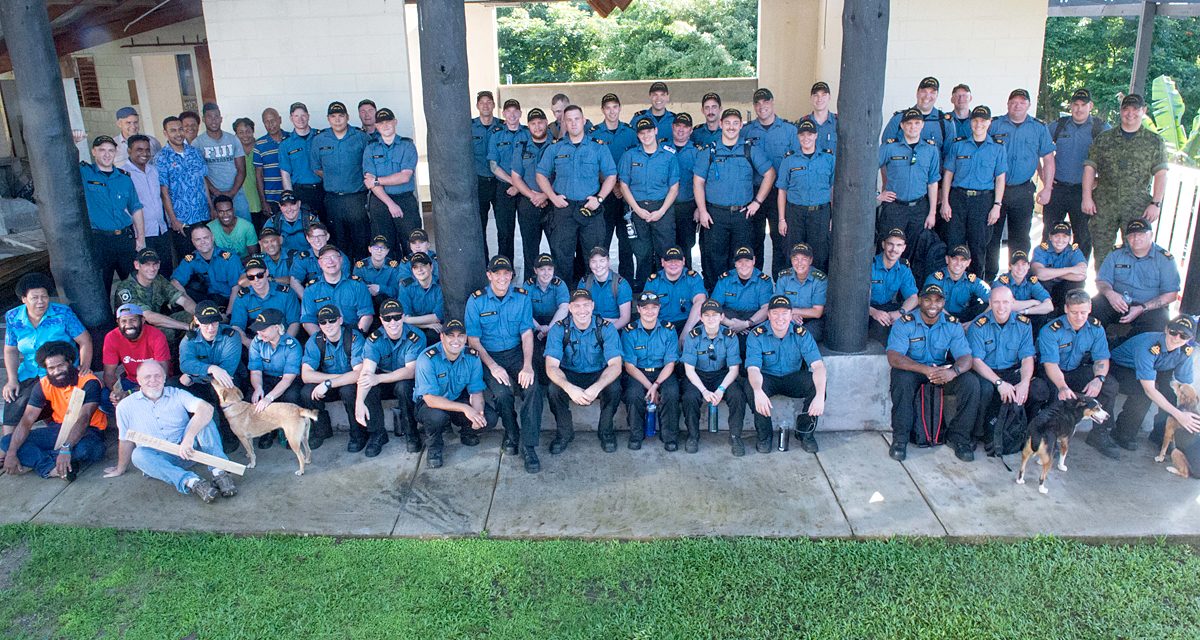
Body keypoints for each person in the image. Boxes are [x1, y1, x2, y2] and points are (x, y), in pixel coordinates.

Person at [105, 361, 237, 504]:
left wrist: (188, 438)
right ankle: (193, 482)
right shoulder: (125, 406)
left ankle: (220, 472)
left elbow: (206, 409)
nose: (153, 380)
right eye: (147, 377)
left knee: (205, 421)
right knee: (138, 455)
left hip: (188, 450)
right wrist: (120, 468)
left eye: (157, 376)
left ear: (164, 378)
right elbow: (125, 439)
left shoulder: (177, 394)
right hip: (160, 460)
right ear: (138, 380)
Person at [885, 284, 978, 461]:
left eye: (937, 300)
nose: (932, 304)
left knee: (970, 383)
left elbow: (966, 357)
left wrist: (954, 372)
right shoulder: (905, 323)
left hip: (943, 371)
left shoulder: (952, 324)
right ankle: (900, 439)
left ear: (943, 302)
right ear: (919, 301)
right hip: (915, 370)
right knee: (900, 378)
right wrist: (925, 370)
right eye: (927, 299)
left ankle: (959, 438)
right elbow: (894, 356)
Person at [465, 255, 539, 465]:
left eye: (506, 273)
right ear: (489, 275)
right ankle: (512, 432)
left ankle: (529, 445)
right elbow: (474, 341)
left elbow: (526, 334)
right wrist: (493, 366)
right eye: (497, 273)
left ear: (511, 276)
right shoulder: (476, 300)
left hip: (516, 353)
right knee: (502, 393)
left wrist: (527, 366)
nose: (502, 278)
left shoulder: (522, 297)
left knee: (532, 388)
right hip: (490, 356)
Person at [693, 108, 776, 290]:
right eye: (728, 123)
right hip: (715, 214)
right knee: (715, 257)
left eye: (735, 123)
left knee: (741, 257)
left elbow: (770, 174)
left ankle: (738, 296)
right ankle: (715, 299)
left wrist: (757, 202)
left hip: (742, 214)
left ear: (741, 125)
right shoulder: (710, 151)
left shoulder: (749, 149)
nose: (731, 127)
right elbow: (698, 182)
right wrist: (703, 210)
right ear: (721, 124)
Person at [3, 274, 91, 443]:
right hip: (30, 370)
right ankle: (5, 446)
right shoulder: (13, 317)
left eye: (44, 296)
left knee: (41, 400)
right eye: (34, 298)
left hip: (60, 369)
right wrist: (12, 379)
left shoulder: (62, 313)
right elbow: (10, 350)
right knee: (13, 396)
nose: (41, 301)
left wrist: (84, 365)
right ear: (24, 299)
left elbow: (85, 341)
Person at [1082, 93, 1169, 266]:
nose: (1130, 113)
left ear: (1143, 110)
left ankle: (1128, 291)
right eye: (1126, 109)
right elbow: (1090, 168)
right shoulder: (1104, 139)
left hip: (1137, 207)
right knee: (1101, 253)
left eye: (1135, 109)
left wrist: (1156, 204)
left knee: (1136, 252)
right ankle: (1104, 291)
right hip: (1103, 206)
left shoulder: (1154, 141)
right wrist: (1087, 197)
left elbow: (1161, 174)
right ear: (1120, 111)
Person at [1096, 317, 1200, 458]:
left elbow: (1186, 384)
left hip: (1155, 368)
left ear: (1190, 338)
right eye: (1173, 332)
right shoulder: (1150, 345)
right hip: (1120, 366)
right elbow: (1149, 390)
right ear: (1166, 329)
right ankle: (1122, 433)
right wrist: (1180, 415)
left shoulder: (1185, 351)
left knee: (1170, 393)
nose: (1176, 338)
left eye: (1183, 336)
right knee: (1142, 393)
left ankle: (1160, 435)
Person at [536, 105, 618, 282]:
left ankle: (592, 297)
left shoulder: (598, 147)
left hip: (590, 208)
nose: (573, 123)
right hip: (563, 208)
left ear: (584, 121)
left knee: (594, 255)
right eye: (569, 120)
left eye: (577, 119)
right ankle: (565, 298)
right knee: (562, 255)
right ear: (564, 123)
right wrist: (552, 197)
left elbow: (611, 174)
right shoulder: (555, 148)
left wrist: (600, 198)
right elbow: (541, 174)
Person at [1, 341, 106, 479]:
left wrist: (66, 448)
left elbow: (84, 418)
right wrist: (11, 453)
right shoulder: (43, 384)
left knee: (91, 450)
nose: (57, 372)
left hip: (89, 430)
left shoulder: (88, 381)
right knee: (7, 442)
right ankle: (51, 467)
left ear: (69, 362)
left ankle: (43, 461)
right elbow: (27, 420)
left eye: (61, 365)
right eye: (51, 368)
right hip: (57, 429)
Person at [985, 89, 1055, 281]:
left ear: (1029, 105)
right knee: (991, 236)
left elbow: (1047, 159)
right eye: (1013, 102)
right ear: (1007, 104)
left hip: (1022, 190)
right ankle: (989, 276)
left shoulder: (1039, 128)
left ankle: (1017, 278)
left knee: (1020, 237)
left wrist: (1047, 188)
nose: (1017, 106)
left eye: (1022, 102)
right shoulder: (995, 125)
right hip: (995, 190)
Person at [545, 289, 623, 453]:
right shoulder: (559, 329)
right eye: (577, 306)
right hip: (570, 373)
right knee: (554, 389)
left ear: (593, 306)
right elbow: (551, 366)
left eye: (586, 305)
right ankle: (564, 434)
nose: (582, 310)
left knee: (614, 387)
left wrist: (597, 386)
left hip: (598, 373)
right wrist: (569, 387)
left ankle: (606, 431)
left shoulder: (606, 328)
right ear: (570, 308)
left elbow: (616, 365)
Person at [746, 295, 827, 454]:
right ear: (768, 315)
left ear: (791, 315)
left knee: (817, 385)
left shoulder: (802, 334)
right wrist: (757, 391)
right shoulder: (757, 335)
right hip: (767, 377)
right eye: (775, 313)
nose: (780, 318)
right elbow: (753, 369)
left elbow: (818, 366)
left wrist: (819, 395)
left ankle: (805, 433)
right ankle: (764, 436)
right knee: (750, 386)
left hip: (792, 377)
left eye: (784, 313)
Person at [413, 319, 496, 469]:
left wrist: (477, 414)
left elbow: (476, 390)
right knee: (436, 416)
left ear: (466, 338)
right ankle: (434, 448)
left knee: (489, 418)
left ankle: (467, 432)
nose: (456, 340)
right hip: (430, 404)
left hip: (456, 398)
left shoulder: (472, 356)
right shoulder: (427, 358)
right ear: (442, 337)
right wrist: (466, 409)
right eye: (451, 335)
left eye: (460, 336)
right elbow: (430, 399)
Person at [1030, 289, 1111, 441]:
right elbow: (1051, 364)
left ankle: (1099, 435)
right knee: (1055, 394)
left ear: (1090, 309)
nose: (1079, 317)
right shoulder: (1051, 330)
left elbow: (1102, 358)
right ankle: (1049, 437)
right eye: (1074, 312)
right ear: (1066, 308)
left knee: (1109, 385)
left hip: (1075, 370)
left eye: (1083, 312)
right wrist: (1062, 386)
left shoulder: (1096, 328)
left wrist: (1099, 379)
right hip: (1052, 372)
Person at [966, 286, 1036, 461]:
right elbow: (976, 361)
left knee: (1039, 389)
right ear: (990, 303)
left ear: (1013, 303)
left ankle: (1026, 433)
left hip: (1011, 370)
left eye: (1006, 302)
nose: (1001, 307)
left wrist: (1024, 382)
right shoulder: (978, 325)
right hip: (986, 372)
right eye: (996, 302)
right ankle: (976, 433)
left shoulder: (1024, 324)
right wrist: (999, 383)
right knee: (984, 390)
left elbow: (1027, 357)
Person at [941, 105, 1008, 276]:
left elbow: (1000, 178)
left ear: (989, 122)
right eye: (976, 120)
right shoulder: (959, 145)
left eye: (983, 121)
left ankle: (975, 288)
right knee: (953, 244)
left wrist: (997, 205)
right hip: (958, 199)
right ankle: (949, 287)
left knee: (978, 246)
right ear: (971, 122)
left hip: (982, 201)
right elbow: (948, 174)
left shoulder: (997, 148)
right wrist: (945, 202)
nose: (979, 124)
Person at [1043, 89, 1109, 261]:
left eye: (1083, 105)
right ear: (1071, 106)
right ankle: (1046, 270)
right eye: (1076, 105)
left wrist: (1099, 181)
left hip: (1083, 192)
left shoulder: (1100, 128)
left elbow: (1111, 159)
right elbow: (1037, 148)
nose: (1079, 109)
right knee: (1049, 232)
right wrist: (1044, 179)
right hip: (1057, 188)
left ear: (1090, 106)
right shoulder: (1058, 125)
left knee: (1082, 236)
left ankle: (1077, 276)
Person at [355, 299, 427, 457]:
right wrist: (359, 402)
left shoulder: (415, 336)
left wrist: (378, 379)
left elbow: (410, 371)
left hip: (404, 378)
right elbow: (367, 372)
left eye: (397, 317)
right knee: (369, 385)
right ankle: (377, 434)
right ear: (381, 319)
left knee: (404, 386)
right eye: (387, 318)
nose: (392, 322)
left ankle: (411, 433)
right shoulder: (374, 340)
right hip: (384, 376)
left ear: (403, 317)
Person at [741, 87, 798, 275]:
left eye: (765, 102)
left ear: (772, 102)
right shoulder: (747, 131)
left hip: (780, 194)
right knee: (754, 239)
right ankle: (756, 282)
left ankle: (780, 280)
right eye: (757, 103)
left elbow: (796, 161)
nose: (761, 106)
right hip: (754, 192)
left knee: (780, 238)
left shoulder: (790, 131)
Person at [1093, 218, 1180, 341]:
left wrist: (1142, 308)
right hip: (1116, 302)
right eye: (1132, 235)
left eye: (1141, 234)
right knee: (1090, 308)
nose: (1136, 238)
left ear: (1151, 235)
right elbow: (1102, 280)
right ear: (1127, 237)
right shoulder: (1116, 253)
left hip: (1148, 307)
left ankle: (1121, 348)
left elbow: (1171, 295)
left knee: (1158, 326)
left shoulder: (1165, 260)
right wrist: (1110, 293)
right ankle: (1092, 346)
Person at [681, 299, 749, 455]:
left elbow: (733, 369)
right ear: (700, 317)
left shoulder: (730, 336)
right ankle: (693, 435)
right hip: (697, 375)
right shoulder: (693, 336)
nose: (711, 318)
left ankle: (735, 436)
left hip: (721, 375)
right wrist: (704, 391)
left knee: (737, 395)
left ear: (721, 316)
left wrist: (721, 389)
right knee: (690, 397)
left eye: (714, 315)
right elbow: (689, 370)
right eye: (707, 315)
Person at [619, 116, 680, 288]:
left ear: (656, 131)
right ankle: (645, 292)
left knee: (665, 252)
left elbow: (674, 188)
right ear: (638, 135)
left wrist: (661, 211)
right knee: (642, 253)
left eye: (649, 132)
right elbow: (623, 185)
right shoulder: (629, 155)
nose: (646, 136)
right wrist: (637, 210)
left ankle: (666, 290)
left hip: (662, 208)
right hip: (637, 210)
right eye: (642, 133)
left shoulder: (668, 156)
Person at [175, 301, 244, 451]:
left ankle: (229, 434)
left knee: (221, 390)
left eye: (214, 323)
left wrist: (193, 376)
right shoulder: (189, 339)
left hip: (227, 381)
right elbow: (185, 364)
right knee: (173, 386)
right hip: (204, 380)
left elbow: (227, 371)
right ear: (197, 321)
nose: (211, 328)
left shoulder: (231, 336)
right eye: (206, 324)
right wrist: (211, 368)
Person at [621, 291, 682, 452]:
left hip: (663, 372)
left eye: (654, 307)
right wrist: (650, 386)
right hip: (638, 372)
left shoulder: (668, 330)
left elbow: (670, 363)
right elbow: (629, 366)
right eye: (645, 308)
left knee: (671, 393)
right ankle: (636, 434)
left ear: (659, 308)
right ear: (639, 309)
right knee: (633, 394)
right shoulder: (629, 331)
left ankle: (669, 436)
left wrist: (655, 385)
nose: (650, 311)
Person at [82, 135, 146, 289]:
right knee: (102, 286)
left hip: (124, 238)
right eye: (101, 150)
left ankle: (135, 313)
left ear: (116, 152)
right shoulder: (85, 173)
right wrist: (75, 142)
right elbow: (64, 166)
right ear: (93, 152)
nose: (106, 154)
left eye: (111, 150)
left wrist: (141, 238)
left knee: (133, 284)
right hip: (100, 240)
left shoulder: (124, 178)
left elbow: (135, 208)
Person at [877, 108, 941, 258]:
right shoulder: (890, 147)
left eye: (917, 123)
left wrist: (932, 212)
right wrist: (878, 195)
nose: (913, 126)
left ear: (922, 125)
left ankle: (909, 281)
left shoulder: (931, 150)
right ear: (902, 126)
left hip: (919, 209)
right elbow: (868, 170)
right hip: (895, 208)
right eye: (909, 123)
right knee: (888, 249)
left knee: (914, 251)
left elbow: (932, 182)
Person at [310, 101, 371, 257]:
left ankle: (360, 275)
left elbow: (369, 167)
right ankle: (342, 276)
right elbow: (317, 168)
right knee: (338, 241)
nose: (337, 120)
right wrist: (334, 178)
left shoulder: (360, 137)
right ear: (328, 119)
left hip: (356, 198)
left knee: (361, 240)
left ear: (347, 117)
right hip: (333, 200)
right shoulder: (320, 139)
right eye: (333, 116)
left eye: (341, 116)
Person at [301, 304, 365, 451]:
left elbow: (359, 374)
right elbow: (306, 375)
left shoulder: (354, 337)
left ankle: (358, 435)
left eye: (332, 320)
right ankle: (322, 431)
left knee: (349, 392)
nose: (328, 325)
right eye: (323, 322)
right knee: (306, 392)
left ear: (340, 320)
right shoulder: (315, 340)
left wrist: (329, 382)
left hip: (349, 384)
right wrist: (335, 380)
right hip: (335, 381)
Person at [592, 93, 639, 282]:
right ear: (603, 110)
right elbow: (592, 165)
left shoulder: (630, 133)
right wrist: (611, 185)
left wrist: (621, 185)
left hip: (626, 194)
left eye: (615, 107)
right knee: (602, 239)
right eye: (608, 107)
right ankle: (601, 279)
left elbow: (636, 161)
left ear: (620, 108)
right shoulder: (594, 134)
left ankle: (626, 281)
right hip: (604, 194)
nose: (612, 111)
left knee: (626, 241)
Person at [776, 119, 835, 272]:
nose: (806, 138)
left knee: (820, 254)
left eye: (809, 134)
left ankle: (818, 291)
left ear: (816, 135)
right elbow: (782, 190)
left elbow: (833, 189)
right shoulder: (789, 160)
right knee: (792, 252)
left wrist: (832, 217)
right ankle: (792, 291)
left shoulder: (828, 159)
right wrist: (782, 219)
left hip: (820, 213)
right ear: (798, 137)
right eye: (802, 135)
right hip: (795, 213)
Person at [363, 107, 421, 252]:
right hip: (381, 201)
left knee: (412, 243)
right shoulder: (371, 148)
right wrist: (390, 204)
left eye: (388, 121)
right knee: (384, 245)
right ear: (376, 126)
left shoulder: (407, 145)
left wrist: (377, 181)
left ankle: (411, 274)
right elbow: (369, 181)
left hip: (405, 200)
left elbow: (405, 176)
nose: (385, 125)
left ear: (395, 122)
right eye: (381, 123)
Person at [246, 308, 303, 449]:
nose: (259, 333)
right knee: (254, 397)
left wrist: (269, 398)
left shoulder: (292, 345)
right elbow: (256, 371)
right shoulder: (257, 342)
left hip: (287, 380)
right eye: (257, 330)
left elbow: (287, 380)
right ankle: (266, 431)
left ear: (277, 328)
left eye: (263, 329)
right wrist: (258, 388)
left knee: (292, 396)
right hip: (267, 378)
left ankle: (293, 433)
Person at [111, 248, 195, 342]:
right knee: (166, 332)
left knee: (190, 317)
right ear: (137, 265)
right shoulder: (126, 288)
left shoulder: (159, 280)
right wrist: (186, 326)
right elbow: (149, 317)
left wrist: (200, 316)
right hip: (134, 331)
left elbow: (182, 300)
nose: (152, 269)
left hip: (156, 325)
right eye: (147, 264)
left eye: (155, 264)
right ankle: (168, 356)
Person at [510, 108, 554, 281]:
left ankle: (558, 287)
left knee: (558, 248)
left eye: (540, 122)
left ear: (546, 123)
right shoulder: (521, 147)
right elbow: (516, 177)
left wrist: (545, 195)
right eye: (533, 123)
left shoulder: (557, 145)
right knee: (530, 249)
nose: (537, 127)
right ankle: (530, 286)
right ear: (528, 126)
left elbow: (561, 176)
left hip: (552, 204)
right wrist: (533, 196)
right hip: (528, 204)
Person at [156, 116, 210, 260]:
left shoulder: (195, 152)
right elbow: (164, 192)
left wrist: (211, 207)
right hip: (181, 220)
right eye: (173, 130)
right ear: (165, 133)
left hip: (202, 215)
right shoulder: (161, 157)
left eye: (180, 129)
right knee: (187, 259)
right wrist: (173, 220)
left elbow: (203, 181)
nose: (178, 133)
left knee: (206, 256)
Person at [486, 99, 531, 265]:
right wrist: (514, 182)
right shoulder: (496, 134)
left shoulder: (528, 133)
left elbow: (533, 162)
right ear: (503, 114)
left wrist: (519, 185)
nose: (512, 115)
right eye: (508, 111)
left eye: (515, 111)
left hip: (526, 188)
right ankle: (505, 267)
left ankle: (531, 271)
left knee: (529, 232)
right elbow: (493, 165)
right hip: (505, 188)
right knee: (504, 231)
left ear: (520, 113)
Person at [122, 134, 173, 276]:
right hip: (141, 235)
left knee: (165, 270)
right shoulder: (123, 174)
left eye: (147, 149)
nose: (144, 153)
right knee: (146, 274)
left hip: (161, 230)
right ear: (129, 151)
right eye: (139, 149)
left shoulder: (154, 171)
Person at [102, 304, 170, 402]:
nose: (128, 325)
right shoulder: (111, 337)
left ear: (142, 320)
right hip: (131, 381)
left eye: (133, 320)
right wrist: (117, 394)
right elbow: (109, 374)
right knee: (105, 397)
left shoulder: (156, 336)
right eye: (124, 321)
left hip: (155, 382)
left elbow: (163, 375)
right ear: (118, 322)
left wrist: (130, 394)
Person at [300, 244, 374, 335]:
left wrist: (354, 338)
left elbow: (366, 315)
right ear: (320, 263)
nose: (330, 261)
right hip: (324, 338)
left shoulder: (357, 285)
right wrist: (322, 342)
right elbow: (308, 321)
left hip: (353, 335)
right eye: (326, 258)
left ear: (341, 260)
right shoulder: (311, 289)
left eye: (334, 257)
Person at [195, 103, 250, 221]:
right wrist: (215, 192)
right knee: (218, 233)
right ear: (204, 119)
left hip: (236, 194)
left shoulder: (233, 139)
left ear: (221, 119)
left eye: (216, 116)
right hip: (213, 196)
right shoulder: (197, 143)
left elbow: (241, 169)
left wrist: (232, 192)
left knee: (244, 227)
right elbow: (200, 174)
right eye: (209, 117)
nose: (213, 120)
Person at [712, 247, 773, 347]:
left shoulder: (764, 282)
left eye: (747, 261)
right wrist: (732, 324)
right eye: (739, 261)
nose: (743, 265)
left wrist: (745, 324)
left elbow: (766, 309)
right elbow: (714, 307)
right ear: (735, 263)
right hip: (728, 321)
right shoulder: (725, 279)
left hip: (753, 322)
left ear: (753, 260)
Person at [664, 113, 704, 268]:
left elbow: (703, 183)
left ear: (691, 130)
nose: (681, 130)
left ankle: (687, 279)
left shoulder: (698, 152)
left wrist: (699, 208)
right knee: (665, 246)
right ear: (672, 127)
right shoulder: (661, 148)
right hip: (665, 207)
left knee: (686, 247)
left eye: (685, 126)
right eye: (678, 126)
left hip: (688, 207)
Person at [880, 76, 954, 159]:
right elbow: (885, 150)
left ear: (937, 95)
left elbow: (949, 157)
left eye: (932, 92)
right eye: (924, 91)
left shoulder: (945, 122)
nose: (927, 96)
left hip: (932, 171)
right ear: (917, 93)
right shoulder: (899, 118)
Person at [170, 225, 242, 309]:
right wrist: (190, 304)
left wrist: (228, 314)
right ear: (193, 242)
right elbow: (175, 282)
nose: (202, 242)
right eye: (198, 239)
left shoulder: (229, 258)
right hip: (206, 299)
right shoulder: (191, 259)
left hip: (228, 300)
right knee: (178, 294)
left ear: (212, 238)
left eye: (205, 238)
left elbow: (236, 288)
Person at [867, 229, 919, 345]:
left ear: (904, 248)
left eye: (899, 245)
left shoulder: (903, 267)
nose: (894, 249)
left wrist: (899, 312)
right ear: (883, 244)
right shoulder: (870, 265)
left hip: (889, 308)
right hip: (866, 309)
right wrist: (874, 312)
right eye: (890, 244)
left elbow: (913, 297)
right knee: (880, 330)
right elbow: (855, 299)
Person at [278, 102, 326, 222]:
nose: (300, 119)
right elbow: (285, 174)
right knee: (307, 227)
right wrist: (290, 199)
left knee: (328, 225)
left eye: (303, 115)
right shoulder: (285, 144)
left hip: (323, 190)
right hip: (301, 193)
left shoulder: (321, 137)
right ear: (291, 118)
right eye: (296, 116)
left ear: (308, 116)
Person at [643, 246, 705, 337]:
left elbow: (700, 302)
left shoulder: (693, 278)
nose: (673, 264)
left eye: (677, 260)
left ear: (683, 261)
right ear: (663, 262)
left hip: (688, 323)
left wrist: (686, 332)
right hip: (662, 326)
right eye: (669, 261)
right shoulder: (653, 281)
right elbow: (647, 309)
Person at [773, 243, 827, 343]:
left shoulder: (819, 279)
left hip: (812, 321)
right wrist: (790, 316)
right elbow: (777, 306)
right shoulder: (784, 277)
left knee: (801, 337)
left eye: (804, 259)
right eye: (795, 259)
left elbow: (817, 312)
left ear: (810, 260)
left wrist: (791, 311)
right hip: (788, 318)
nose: (799, 263)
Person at [992, 251, 1053, 332]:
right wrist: (1033, 302)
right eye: (1016, 264)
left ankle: (1033, 343)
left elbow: (1049, 306)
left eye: (1023, 264)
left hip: (1024, 315)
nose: (1020, 268)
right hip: (1005, 317)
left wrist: (1026, 311)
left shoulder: (1031, 281)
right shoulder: (1002, 281)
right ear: (1010, 267)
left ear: (1028, 266)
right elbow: (1009, 306)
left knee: (1041, 315)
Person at [925, 245, 990, 321]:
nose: (958, 263)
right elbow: (930, 303)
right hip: (940, 318)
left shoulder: (972, 281)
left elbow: (995, 299)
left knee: (986, 306)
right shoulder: (935, 279)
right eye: (954, 258)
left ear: (968, 262)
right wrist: (954, 322)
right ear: (947, 259)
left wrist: (973, 323)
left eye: (963, 260)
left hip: (964, 318)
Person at [1031, 222, 1088, 310]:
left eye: (1064, 236)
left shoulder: (1074, 251)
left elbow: (1082, 274)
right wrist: (1071, 270)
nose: (1060, 240)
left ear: (1069, 238)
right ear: (1050, 237)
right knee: (1040, 282)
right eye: (1057, 236)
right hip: (1045, 291)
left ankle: (1065, 315)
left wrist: (1050, 272)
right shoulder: (1040, 249)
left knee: (1077, 284)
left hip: (1063, 289)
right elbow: (1040, 274)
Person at [473, 91, 503, 249]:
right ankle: (484, 266)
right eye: (482, 102)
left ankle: (505, 266)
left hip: (500, 183)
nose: (485, 105)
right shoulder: (469, 127)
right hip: (480, 182)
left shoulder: (503, 126)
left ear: (493, 105)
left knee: (504, 228)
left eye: (489, 102)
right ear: (477, 105)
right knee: (479, 227)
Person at [577, 248, 633, 329]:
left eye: (602, 261)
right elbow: (579, 312)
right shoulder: (584, 283)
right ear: (589, 264)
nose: (598, 265)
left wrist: (607, 332)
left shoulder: (621, 284)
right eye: (593, 261)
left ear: (608, 262)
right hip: (589, 327)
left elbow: (625, 318)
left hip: (614, 328)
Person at [253, 107, 290, 214]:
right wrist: (263, 201)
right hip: (271, 199)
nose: (270, 124)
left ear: (280, 120)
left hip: (292, 197)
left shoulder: (291, 139)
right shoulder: (259, 145)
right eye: (266, 122)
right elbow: (259, 176)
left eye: (273, 120)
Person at [263, 189, 319, 255]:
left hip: (308, 259)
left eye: (292, 204)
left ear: (299, 204)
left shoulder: (310, 220)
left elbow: (320, 244)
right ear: (280, 206)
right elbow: (264, 246)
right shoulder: (272, 222)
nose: (289, 209)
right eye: (284, 205)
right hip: (283, 261)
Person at [353, 235, 402, 305]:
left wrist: (380, 288)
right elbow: (356, 289)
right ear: (369, 249)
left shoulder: (393, 267)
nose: (379, 250)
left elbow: (396, 291)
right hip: (365, 302)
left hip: (387, 304)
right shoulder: (360, 266)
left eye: (383, 248)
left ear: (387, 251)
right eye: (376, 247)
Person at [232, 117, 263, 223]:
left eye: (248, 131)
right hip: (242, 202)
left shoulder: (261, 147)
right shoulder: (233, 152)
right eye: (241, 132)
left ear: (253, 131)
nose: (245, 135)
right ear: (236, 134)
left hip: (262, 199)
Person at [800, 82, 838, 156]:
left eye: (823, 95)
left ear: (829, 97)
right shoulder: (801, 123)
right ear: (811, 98)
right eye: (816, 95)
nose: (819, 99)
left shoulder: (838, 123)